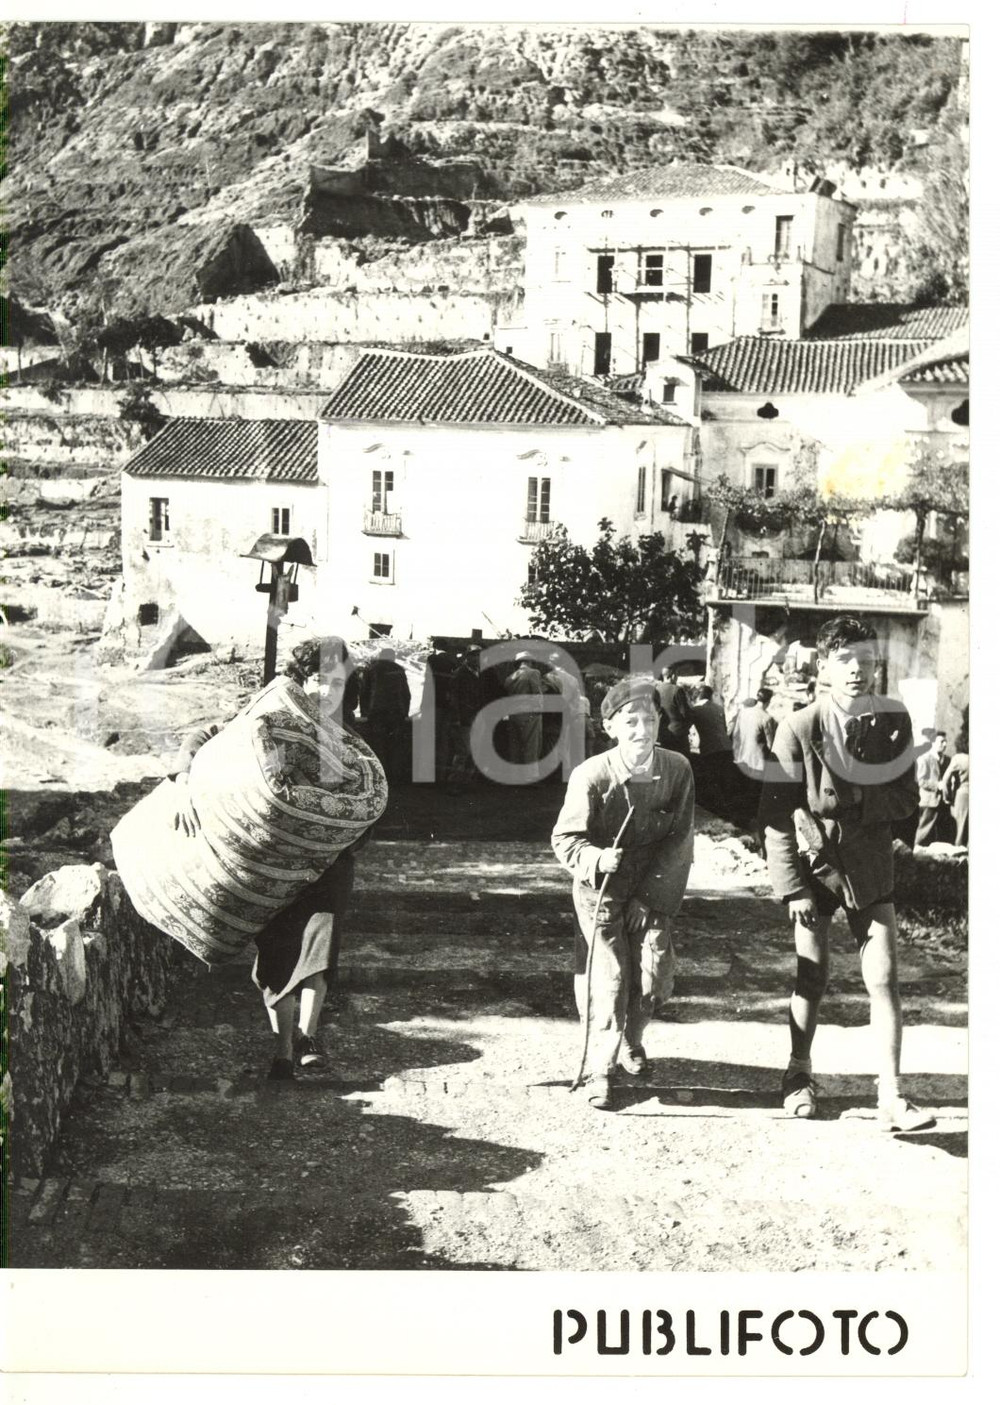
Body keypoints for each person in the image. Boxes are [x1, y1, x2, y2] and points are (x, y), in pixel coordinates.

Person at [170, 636, 381, 1082]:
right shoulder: (268, 717)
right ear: (301, 679)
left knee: (321, 941)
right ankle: (283, 1049)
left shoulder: (348, 741)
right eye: (320, 680)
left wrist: (345, 831)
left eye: (338, 683)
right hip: (270, 862)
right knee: (277, 951)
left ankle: (307, 1038)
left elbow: (366, 798)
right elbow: (203, 737)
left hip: (327, 863)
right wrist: (183, 782)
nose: (328, 691)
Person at [758, 614, 934, 1134]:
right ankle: (798, 1073)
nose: (858, 671)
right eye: (846, 660)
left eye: (867, 661)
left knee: (884, 978)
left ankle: (893, 1097)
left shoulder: (894, 721)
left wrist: (859, 790)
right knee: (811, 974)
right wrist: (791, 888)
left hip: (871, 865)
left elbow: (907, 799)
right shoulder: (797, 727)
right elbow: (775, 817)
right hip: (815, 869)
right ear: (825, 666)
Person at [551, 678, 695, 1111]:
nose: (641, 730)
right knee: (609, 979)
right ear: (611, 727)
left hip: (652, 885)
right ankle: (601, 1066)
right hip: (603, 891)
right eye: (630, 721)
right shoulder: (592, 775)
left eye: (649, 720)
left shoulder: (677, 770)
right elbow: (565, 838)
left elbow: (679, 840)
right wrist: (596, 859)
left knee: (653, 977)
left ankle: (632, 1041)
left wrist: (649, 899)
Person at [360, 646, 411, 784]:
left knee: (378, 744)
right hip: (396, 713)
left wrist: (365, 712)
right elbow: (406, 694)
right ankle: (395, 777)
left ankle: (379, 777)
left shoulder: (371, 669)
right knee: (395, 745)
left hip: (377, 712)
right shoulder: (399, 669)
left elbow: (364, 692)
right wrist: (405, 712)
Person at [730, 687, 777, 821]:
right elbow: (771, 744)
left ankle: (739, 818)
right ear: (769, 701)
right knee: (754, 793)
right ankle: (750, 820)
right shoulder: (767, 718)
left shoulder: (743, 713)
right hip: (758, 761)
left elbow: (736, 735)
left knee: (741, 790)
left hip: (742, 757)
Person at [689, 684, 733, 812]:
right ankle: (727, 806)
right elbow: (723, 728)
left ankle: (717, 808)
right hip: (726, 747)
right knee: (724, 779)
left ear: (698, 696)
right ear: (710, 696)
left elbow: (688, 727)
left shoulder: (696, 709)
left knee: (712, 779)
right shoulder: (719, 708)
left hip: (710, 748)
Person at [504, 650, 544, 777]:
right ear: (529, 661)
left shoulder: (509, 678)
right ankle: (530, 776)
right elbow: (537, 693)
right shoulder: (533, 673)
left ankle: (515, 775)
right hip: (529, 713)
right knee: (531, 745)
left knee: (514, 745)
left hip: (513, 713)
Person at [914, 731, 951, 847]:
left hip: (943, 803)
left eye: (945, 742)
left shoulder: (948, 760)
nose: (944, 744)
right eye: (941, 741)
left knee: (939, 836)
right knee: (923, 833)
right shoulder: (924, 759)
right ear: (933, 743)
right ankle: (914, 856)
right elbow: (921, 780)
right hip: (928, 803)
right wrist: (937, 785)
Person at [654, 667, 694, 756]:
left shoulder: (656, 690)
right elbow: (686, 713)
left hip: (662, 733)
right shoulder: (676, 690)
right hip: (679, 735)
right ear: (673, 676)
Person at [941, 746, 969, 849]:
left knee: (960, 830)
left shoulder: (959, 758)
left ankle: (960, 858)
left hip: (962, 796)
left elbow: (945, 780)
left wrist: (947, 797)